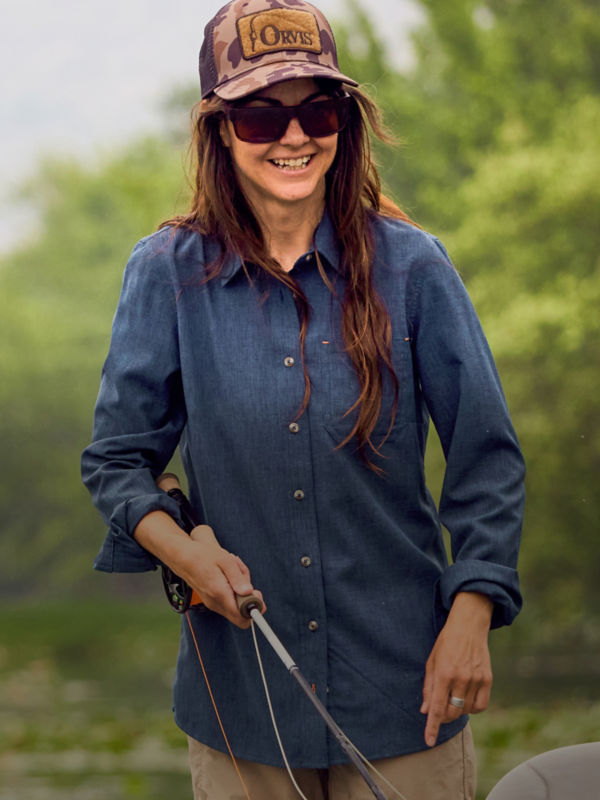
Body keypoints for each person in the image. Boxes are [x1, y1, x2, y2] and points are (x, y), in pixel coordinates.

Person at [81, 1, 525, 798]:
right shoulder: (165, 272)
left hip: (407, 699)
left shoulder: (416, 268)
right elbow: (117, 461)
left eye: (317, 109)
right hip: (240, 711)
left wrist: (473, 612)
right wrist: (187, 554)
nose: (294, 136)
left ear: (343, 121)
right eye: (260, 116)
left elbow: (486, 459)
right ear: (220, 129)